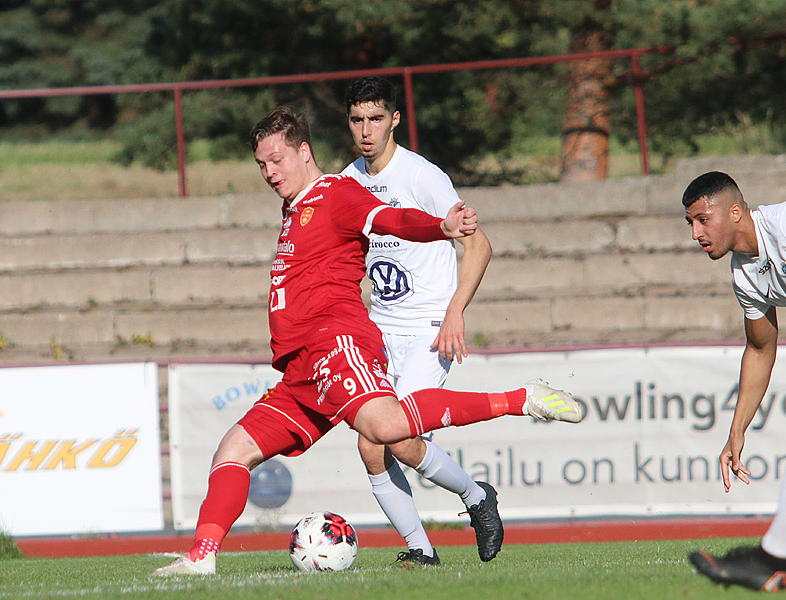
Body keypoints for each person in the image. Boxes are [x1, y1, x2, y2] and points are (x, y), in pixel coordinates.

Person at [153, 106, 582, 577]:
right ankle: (202, 558)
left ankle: (522, 399)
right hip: (301, 371)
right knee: (233, 450)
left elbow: (390, 220)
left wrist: (440, 227)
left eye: (276, 159)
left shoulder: (337, 192)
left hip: (337, 343)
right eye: (261, 165)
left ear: (304, 151)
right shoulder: (294, 206)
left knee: (384, 430)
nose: (269, 172)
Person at [340, 76, 497, 566]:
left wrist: (455, 312)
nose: (366, 130)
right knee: (372, 447)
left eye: (375, 119)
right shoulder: (348, 181)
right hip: (380, 330)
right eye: (357, 120)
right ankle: (421, 551)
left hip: (429, 328)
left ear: (395, 120)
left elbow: (479, 245)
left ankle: (476, 498)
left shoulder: (423, 177)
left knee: (399, 438)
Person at [681, 171, 786, 592]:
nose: (696, 233)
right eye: (690, 223)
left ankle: (772, 560)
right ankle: (775, 559)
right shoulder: (745, 276)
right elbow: (761, 349)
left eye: (702, 219)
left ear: (735, 211)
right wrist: (737, 430)